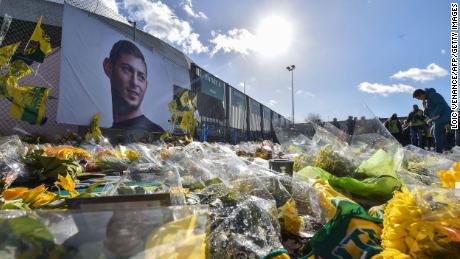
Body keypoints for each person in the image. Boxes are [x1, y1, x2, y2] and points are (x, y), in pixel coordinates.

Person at [103, 40, 164, 133]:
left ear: (146, 85)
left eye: (141, 77)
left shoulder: (155, 134)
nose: (134, 82)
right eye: (126, 69)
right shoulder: (105, 134)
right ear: (109, 68)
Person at [413, 88, 450, 153]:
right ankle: (447, 148)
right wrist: (424, 106)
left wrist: (437, 114)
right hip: (438, 119)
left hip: (444, 116)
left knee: (436, 134)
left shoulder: (433, 95)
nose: (419, 99)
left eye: (418, 98)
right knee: (432, 132)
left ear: (421, 94)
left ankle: (439, 152)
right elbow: (428, 113)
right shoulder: (427, 100)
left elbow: (441, 104)